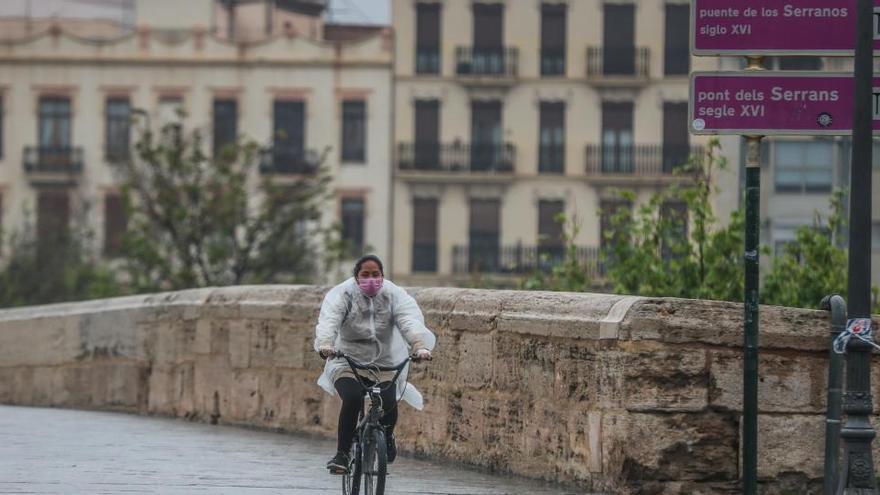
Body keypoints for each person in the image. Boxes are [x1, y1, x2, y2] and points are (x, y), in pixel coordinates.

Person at [314, 254, 436, 474]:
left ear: (382, 275)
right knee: (352, 397)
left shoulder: (393, 295)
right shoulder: (345, 294)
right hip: (347, 361)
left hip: (385, 363)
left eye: (376, 274)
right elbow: (329, 320)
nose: (371, 279)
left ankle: (387, 436)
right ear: (356, 276)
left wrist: (419, 345)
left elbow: (407, 320)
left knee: (389, 403)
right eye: (365, 275)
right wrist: (325, 343)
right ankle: (342, 454)